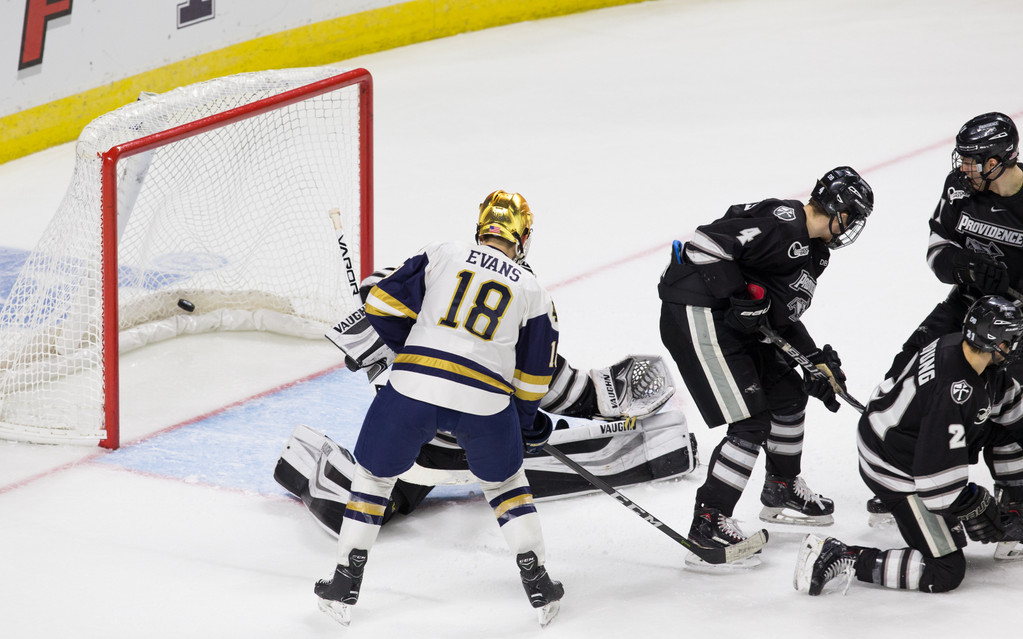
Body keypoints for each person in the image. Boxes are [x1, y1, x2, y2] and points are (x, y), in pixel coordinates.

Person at [313, 190, 564, 627]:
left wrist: (408, 351)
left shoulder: (444, 252)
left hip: (413, 388)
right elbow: (533, 378)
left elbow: (380, 304)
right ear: (522, 237)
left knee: (373, 479)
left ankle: (344, 583)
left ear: (482, 227)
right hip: (484, 403)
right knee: (506, 485)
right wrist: (524, 424)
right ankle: (538, 583)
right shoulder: (535, 292)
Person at [658, 166, 874, 568]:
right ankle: (708, 523)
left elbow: (778, 316)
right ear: (840, 212)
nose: (853, 227)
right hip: (697, 313)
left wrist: (815, 360)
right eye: (854, 217)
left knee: (788, 395)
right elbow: (705, 244)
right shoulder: (783, 224)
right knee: (750, 421)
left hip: (732, 322)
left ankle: (781, 487)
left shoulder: (814, 251)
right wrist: (740, 295)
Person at [795, 295, 1023, 596]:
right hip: (893, 466)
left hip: (904, 433)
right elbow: (936, 485)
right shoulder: (953, 393)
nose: (1016, 346)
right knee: (945, 570)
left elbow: (1008, 403)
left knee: (1007, 434)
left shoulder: (960, 347)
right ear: (996, 342)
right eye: (1013, 339)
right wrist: (973, 505)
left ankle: (1016, 508)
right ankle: (842, 555)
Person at [886, 112, 1023, 379]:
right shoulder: (959, 189)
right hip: (967, 305)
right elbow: (938, 247)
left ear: (992, 163)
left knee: (1000, 391)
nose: (962, 168)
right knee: (905, 371)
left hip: (1015, 325)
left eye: (969, 161)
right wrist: (967, 267)